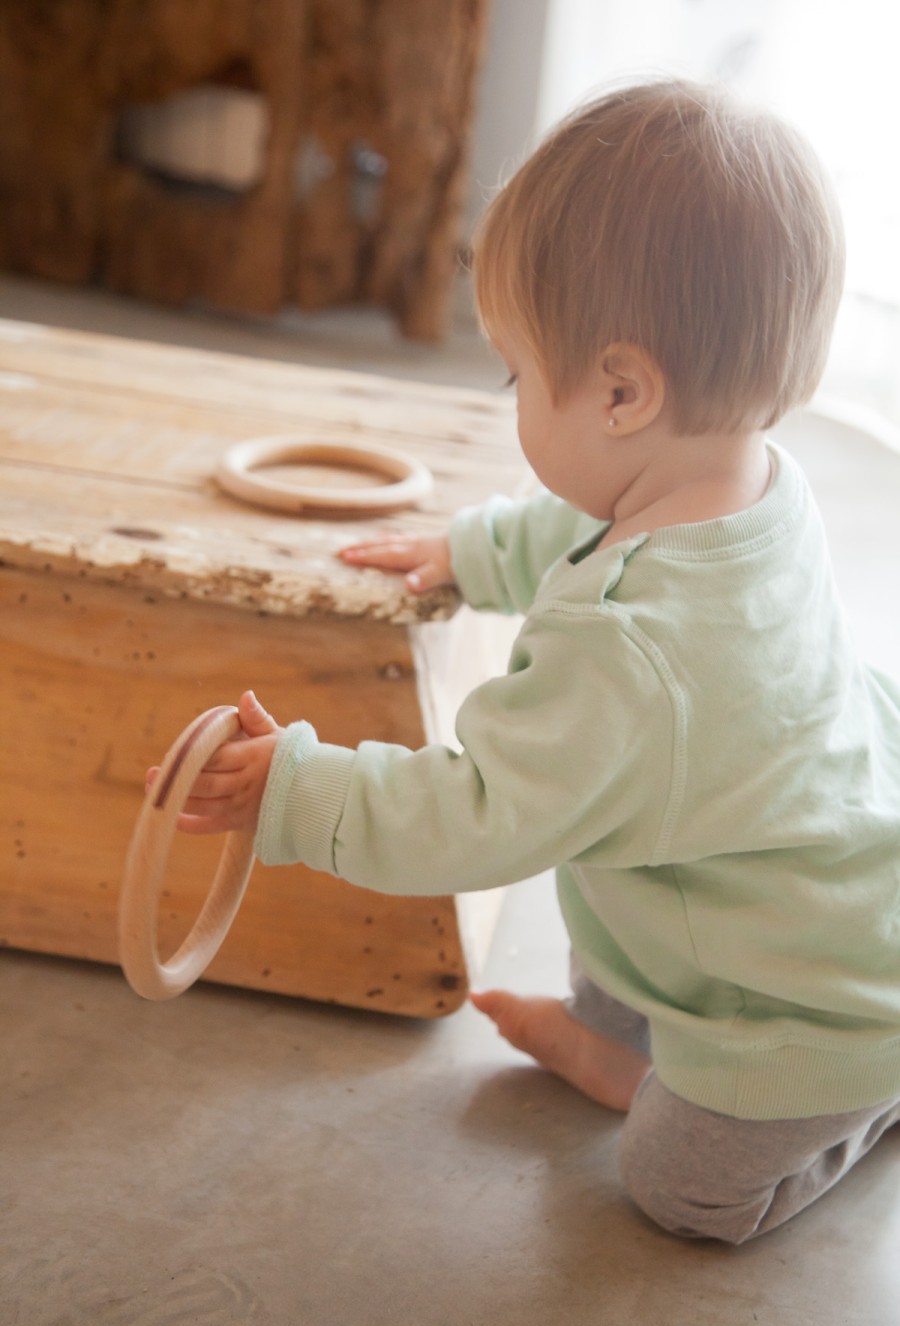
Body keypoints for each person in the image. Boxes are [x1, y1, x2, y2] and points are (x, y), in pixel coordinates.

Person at [149, 79, 900, 1243]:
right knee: (620, 909)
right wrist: (471, 548)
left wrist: (297, 792)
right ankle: (626, 1039)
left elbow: (478, 813)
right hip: (774, 867)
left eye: (511, 372)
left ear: (620, 390)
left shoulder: (634, 657)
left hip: (808, 994)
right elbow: (584, 520)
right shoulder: (740, 475)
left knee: (682, 1189)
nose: (505, 394)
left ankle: (861, 1096)